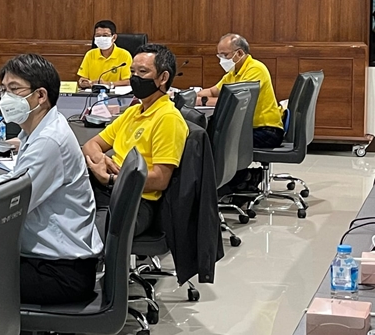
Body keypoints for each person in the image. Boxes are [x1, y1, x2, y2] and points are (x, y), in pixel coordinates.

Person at [0, 54, 103, 305]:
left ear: (40, 95)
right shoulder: (40, 129)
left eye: (14, 89)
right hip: (51, 260)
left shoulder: (49, 140)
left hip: (60, 272)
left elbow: (10, 207)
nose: (6, 98)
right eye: (4, 89)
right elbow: (18, 179)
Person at [82, 43, 188, 237]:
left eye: (143, 72)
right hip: (107, 188)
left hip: (136, 202)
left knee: (82, 234)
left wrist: (112, 179)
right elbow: (91, 145)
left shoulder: (168, 119)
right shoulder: (133, 112)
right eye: (132, 72)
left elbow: (160, 180)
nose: (135, 78)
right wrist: (101, 160)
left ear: (163, 78)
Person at [197, 33, 284, 148]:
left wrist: (203, 101)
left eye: (225, 55)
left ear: (239, 53)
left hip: (266, 131)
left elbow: (236, 102)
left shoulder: (255, 69)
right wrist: (193, 96)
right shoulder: (234, 73)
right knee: (207, 135)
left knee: (213, 141)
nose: (222, 60)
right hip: (249, 128)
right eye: (220, 56)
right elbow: (213, 91)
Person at [77, 20, 132, 89]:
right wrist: (84, 83)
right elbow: (83, 78)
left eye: (105, 35)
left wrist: (109, 84)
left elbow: (128, 81)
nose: (101, 38)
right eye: (98, 35)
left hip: (115, 93)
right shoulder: (90, 54)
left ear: (114, 37)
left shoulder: (124, 55)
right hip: (93, 92)